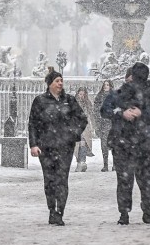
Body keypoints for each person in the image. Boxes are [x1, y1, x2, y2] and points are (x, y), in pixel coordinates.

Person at [100, 62, 150, 225]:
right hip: (126, 142)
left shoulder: (147, 94)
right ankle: (128, 211)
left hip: (139, 142)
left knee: (137, 179)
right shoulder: (120, 93)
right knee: (131, 179)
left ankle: (140, 208)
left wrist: (141, 112)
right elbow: (105, 110)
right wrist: (121, 113)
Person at [28, 69, 88, 226]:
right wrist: (34, 144)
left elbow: (82, 119)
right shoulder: (40, 101)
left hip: (64, 147)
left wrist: (72, 134)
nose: (60, 83)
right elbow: (33, 124)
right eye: (57, 81)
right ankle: (51, 210)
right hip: (45, 147)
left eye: (61, 80)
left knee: (62, 179)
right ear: (49, 84)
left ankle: (60, 211)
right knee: (49, 180)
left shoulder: (69, 100)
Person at [73, 87, 97, 172]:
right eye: (80, 94)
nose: (81, 96)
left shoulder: (87, 103)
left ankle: (82, 162)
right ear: (77, 94)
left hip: (85, 127)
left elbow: (92, 115)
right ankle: (80, 162)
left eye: (83, 94)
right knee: (77, 145)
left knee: (83, 143)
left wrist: (94, 126)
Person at [93, 80, 114, 171]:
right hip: (102, 124)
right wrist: (97, 123)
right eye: (104, 85)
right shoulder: (99, 97)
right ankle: (105, 165)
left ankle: (115, 164)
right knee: (104, 145)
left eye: (107, 85)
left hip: (112, 123)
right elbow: (96, 110)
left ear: (110, 86)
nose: (105, 86)